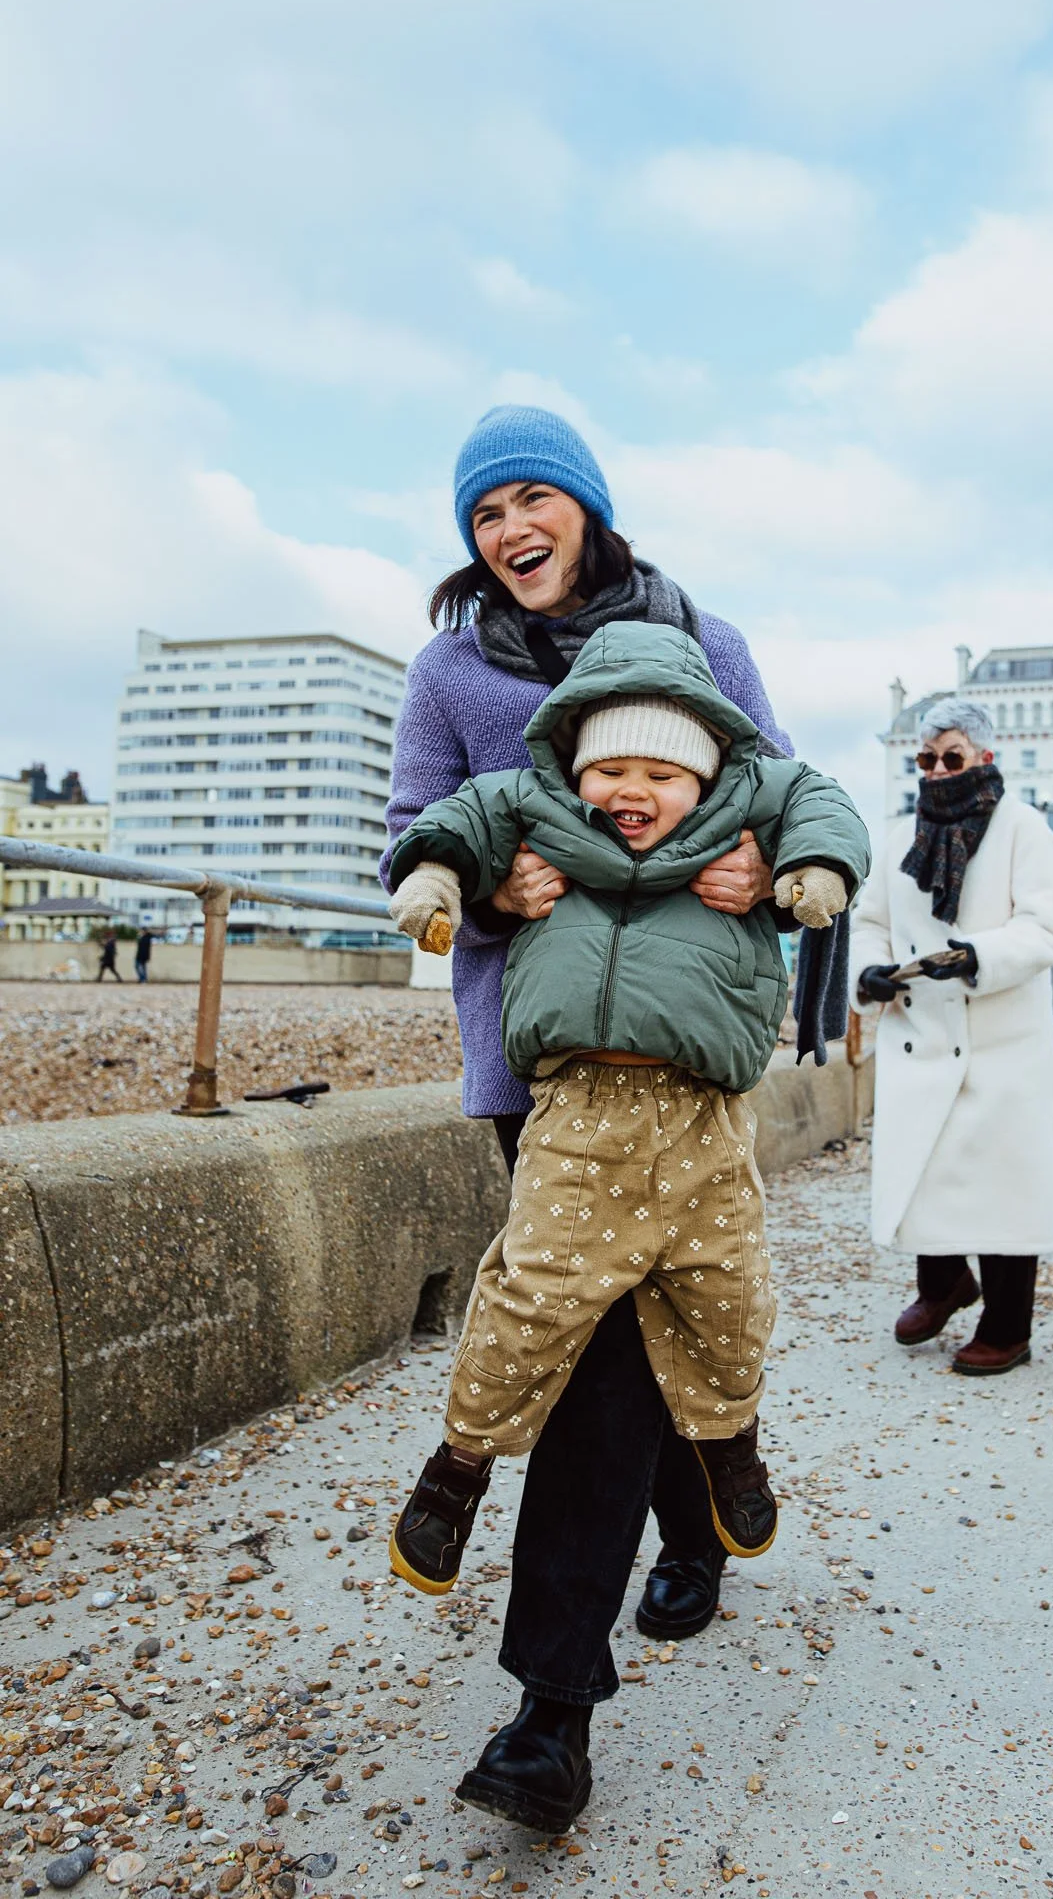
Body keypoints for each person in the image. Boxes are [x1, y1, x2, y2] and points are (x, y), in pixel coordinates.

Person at [380, 405, 804, 1829]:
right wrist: (489, 891)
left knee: (644, 1335)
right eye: (481, 513)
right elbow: (412, 829)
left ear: (584, 507)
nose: (507, 529)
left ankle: (550, 1712)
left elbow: (780, 799)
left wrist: (755, 871)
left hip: (684, 1064)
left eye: (526, 499)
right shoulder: (449, 671)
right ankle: (636, 1592)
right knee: (594, 1337)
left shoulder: (708, 640)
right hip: (539, 1060)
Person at [384, 623, 867, 1651]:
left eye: (659, 770)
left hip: (702, 1110)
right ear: (572, 764)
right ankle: (459, 1465)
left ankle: (732, 1444)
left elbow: (817, 798)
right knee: (533, 1293)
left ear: (703, 776)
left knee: (724, 1290)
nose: (631, 788)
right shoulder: (536, 805)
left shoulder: (744, 807)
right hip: (577, 1110)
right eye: (609, 766)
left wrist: (810, 866)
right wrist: (436, 885)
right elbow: (449, 819)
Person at [850, 696, 1053, 1375]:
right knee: (925, 1164)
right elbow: (870, 922)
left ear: (983, 758)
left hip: (999, 1035)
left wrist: (975, 955)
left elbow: (1044, 928)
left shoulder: (1024, 829)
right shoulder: (896, 836)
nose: (938, 770)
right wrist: (869, 973)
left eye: (952, 757)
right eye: (926, 759)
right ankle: (941, 1284)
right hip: (920, 1029)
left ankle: (1009, 1326)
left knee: (1004, 1182)